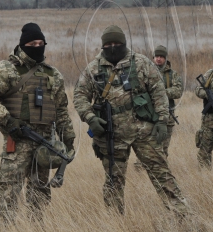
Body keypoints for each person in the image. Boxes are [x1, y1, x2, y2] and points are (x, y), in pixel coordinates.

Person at [72, 25, 188, 216]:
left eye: (117, 43)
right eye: (108, 44)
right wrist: (90, 118)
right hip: (112, 134)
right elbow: (80, 96)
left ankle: (182, 214)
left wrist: (161, 120)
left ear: (124, 43)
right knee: (113, 180)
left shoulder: (141, 62)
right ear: (102, 46)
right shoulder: (93, 68)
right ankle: (116, 222)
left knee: (162, 174)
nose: (112, 47)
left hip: (144, 131)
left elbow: (158, 92)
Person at [0, 23, 75, 221]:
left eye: (40, 43)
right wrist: (8, 120)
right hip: (17, 142)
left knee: (40, 194)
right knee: (9, 193)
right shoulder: (6, 69)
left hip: (45, 143)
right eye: (32, 43)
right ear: (22, 45)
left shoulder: (53, 75)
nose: (37, 47)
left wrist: (68, 139)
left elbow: (61, 110)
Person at [153, 44, 182, 157]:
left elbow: (178, 91)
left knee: (163, 149)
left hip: (167, 117)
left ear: (165, 58)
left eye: (161, 56)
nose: (158, 58)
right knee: (146, 149)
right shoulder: (146, 72)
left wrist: (161, 92)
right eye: (156, 56)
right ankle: (140, 173)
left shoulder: (173, 74)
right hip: (149, 117)